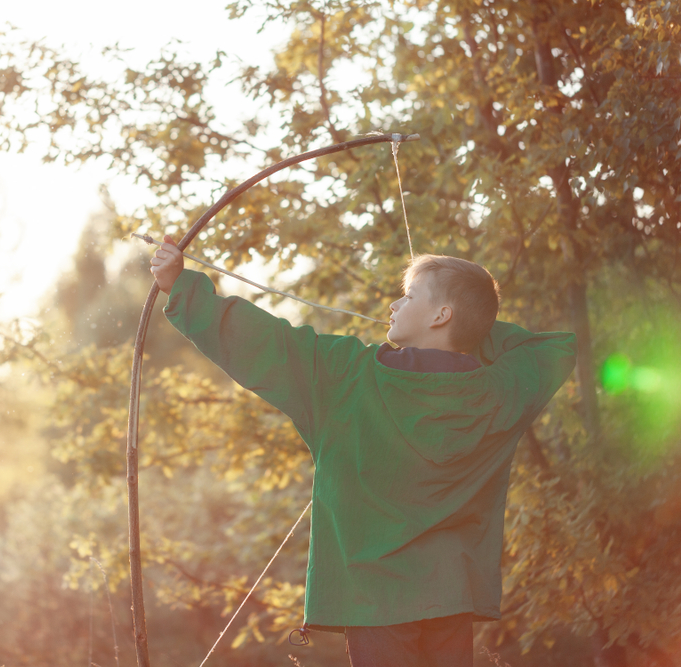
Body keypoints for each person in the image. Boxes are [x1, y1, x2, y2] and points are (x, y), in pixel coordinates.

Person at [149, 235, 577, 667]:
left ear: (441, 314)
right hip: (450, 595)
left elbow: (264, 341)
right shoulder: (498, 390)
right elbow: (551, 349)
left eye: (408, 297)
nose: (394, 306)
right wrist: (469, 330)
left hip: (376, 600)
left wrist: (181, 286)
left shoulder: (347, 375)